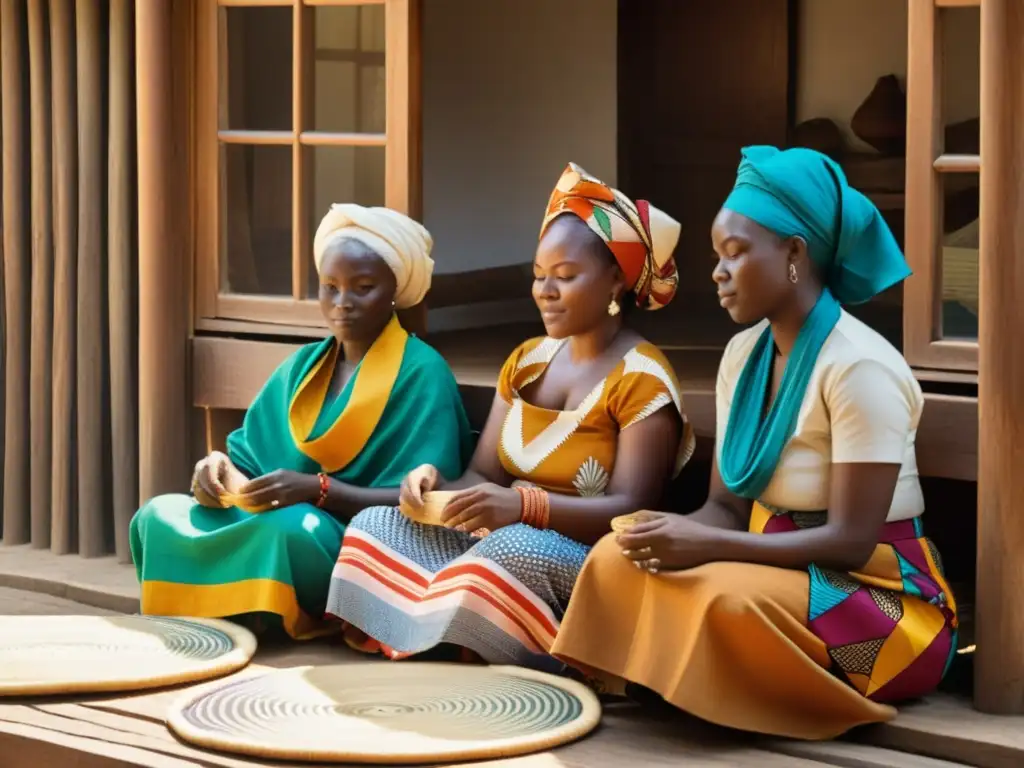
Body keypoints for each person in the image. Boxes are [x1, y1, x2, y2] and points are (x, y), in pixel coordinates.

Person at [550, 146, 958, 739]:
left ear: (795, 254)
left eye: (735, 254)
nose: (717, 271)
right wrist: (674, 534)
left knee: (726, 601)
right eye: (717, 254)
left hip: (884, 603)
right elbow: (726, 509)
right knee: (616, 556)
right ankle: (681, 685)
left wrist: (709, 545)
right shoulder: (743, 356)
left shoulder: (860, 366)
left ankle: (694, 689)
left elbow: (849, 541)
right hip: (771, 563)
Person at [324, 163, 696, 670]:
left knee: (512, 549)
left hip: (587, 563)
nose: (545, 290)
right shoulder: (527, 361)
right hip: (498, 542)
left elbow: (632, 508)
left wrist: (523, 507)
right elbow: (482, 476)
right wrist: (434, 485)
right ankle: (452, 633)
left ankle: (468, 634)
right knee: (373, 525)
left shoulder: (643, 377)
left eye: (564, 277)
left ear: (615, 281)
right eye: (539, 276)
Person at [130, 205, 472, 640]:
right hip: (270, 518)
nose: (343, 302)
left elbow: (423, 500)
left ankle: (258, 614)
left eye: (363, 287)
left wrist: (320, 491)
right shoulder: (304, 365)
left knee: (290, 531)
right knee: (157, 514)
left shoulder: (422, 371)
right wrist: (215, 471)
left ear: (394, 290)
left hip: (350, 536)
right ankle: (204, 615)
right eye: (330, 287)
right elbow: (246, 461)